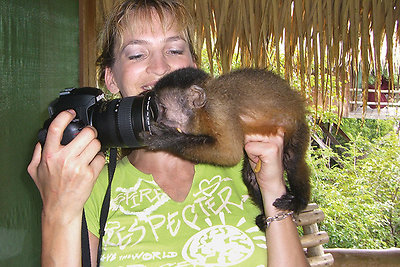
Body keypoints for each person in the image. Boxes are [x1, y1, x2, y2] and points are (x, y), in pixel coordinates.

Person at [28, 0, 310, 266]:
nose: (160, 68)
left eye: (174, 50)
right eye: (137, 54)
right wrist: (58, 210)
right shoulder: (89, 185)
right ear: (111, 78)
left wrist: (272, 188)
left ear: (195, 70)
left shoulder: (246, 162)